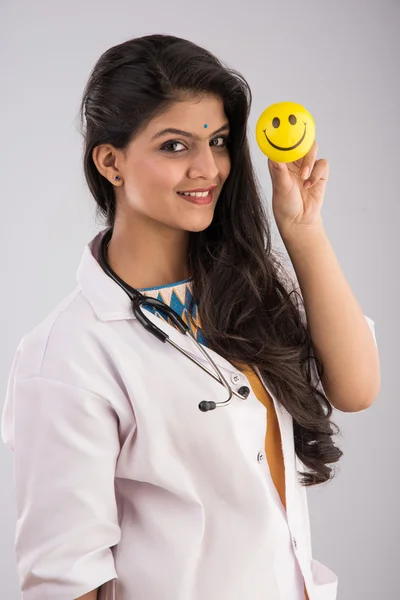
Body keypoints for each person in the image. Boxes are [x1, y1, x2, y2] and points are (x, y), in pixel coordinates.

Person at [1, 34, 380, 600]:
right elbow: (66, 580)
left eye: (220, 141)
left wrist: (303, 230)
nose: (209, 168)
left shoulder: (244, 292)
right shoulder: (66, 353)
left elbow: (357, 388)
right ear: (111, 161)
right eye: (175, 146)